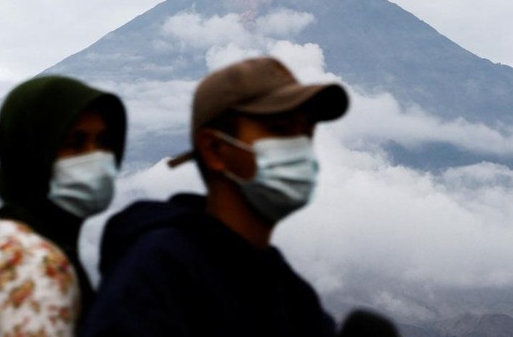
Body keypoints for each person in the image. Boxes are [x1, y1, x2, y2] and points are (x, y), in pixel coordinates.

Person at [83, 56, 349, 337]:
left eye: (306, 134)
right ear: (214, 150)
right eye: (280, 130)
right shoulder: (157, 275)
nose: (300, 148)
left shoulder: (289, 292)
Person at [0, 75, 126, 336]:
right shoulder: (34, 269)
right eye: (75, 144)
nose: (96, 157)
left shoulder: (9, 244)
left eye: (104, 142)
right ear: (31, 154)